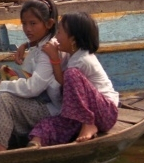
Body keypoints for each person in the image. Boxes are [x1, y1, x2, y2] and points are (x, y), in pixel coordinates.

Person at [0, 0, 62, 153]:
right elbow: (20, 79)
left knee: (4, 98)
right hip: (37, 102)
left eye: (33, 23)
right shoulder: (37, 46)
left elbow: (32, 88)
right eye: (24, 23)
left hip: (51, 110)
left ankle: (0, 152)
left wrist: (2, 84)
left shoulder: (47, 50)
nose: (27, 29)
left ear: (49, 24)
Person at [28, 13, 118, 146]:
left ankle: (89, 124)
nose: (56, 37)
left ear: (73, 40)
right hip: (83, 113)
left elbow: (64, 81)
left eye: (59, 32)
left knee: (71, 74)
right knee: (46, 124)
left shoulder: (83, 59)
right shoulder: (74, 55)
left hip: (105, 112)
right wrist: (26, 45)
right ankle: (36, 144)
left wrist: (54, 58)